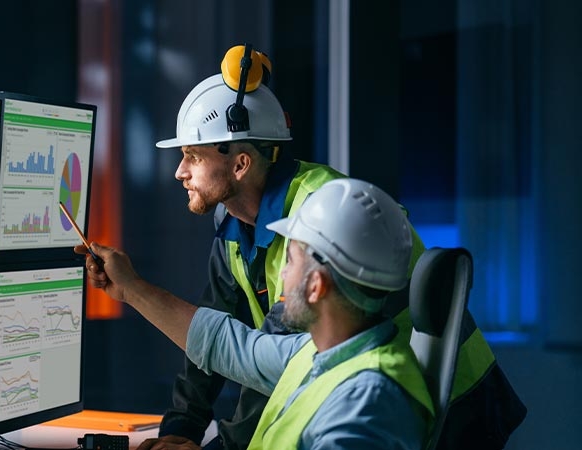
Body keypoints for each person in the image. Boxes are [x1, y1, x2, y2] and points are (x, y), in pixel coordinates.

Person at [143, 44, 526, 450]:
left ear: (240, 164)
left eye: (192, 156)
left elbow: (278, 366)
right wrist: (181, 429)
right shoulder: (236, 224)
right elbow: (221, 335)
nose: (179, 171)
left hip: (434, 402)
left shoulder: (320, 218)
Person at [78, 178, 435, 449]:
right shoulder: (321, 353)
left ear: (316, 286)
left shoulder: (366, 405)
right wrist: (131, 288)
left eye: (290, 260)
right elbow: (229, 346)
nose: (280, 274)